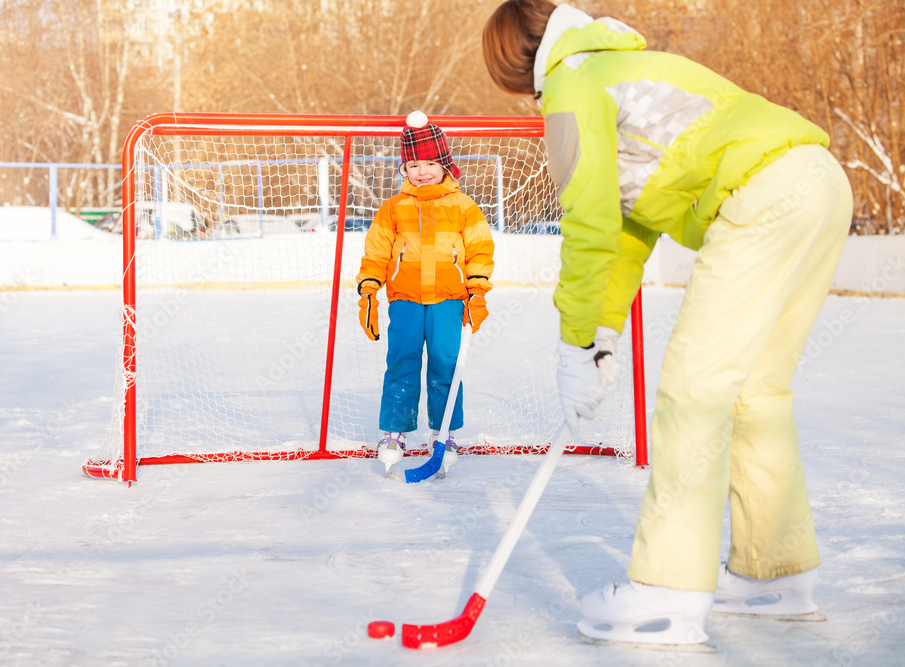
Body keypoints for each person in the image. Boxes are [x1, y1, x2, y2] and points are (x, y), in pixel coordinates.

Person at [483, 0, 853, 649]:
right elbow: (625, 232)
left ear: (515, 59)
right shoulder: (621, 67)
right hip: (819, 180)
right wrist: (600, 337)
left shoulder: (571, 87)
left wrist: (572, 345)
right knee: (755, 391)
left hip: (763, 195)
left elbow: (588, 223)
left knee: (692, 390)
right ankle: (774, 573)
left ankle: (667, 591)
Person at [356, 111, 496, 477]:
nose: (422, 171)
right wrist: (369, 290)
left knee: (445, 365)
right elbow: (377, 253)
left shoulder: (464, 207)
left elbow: (480, 250)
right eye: (414, 164)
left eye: (430, 163)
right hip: (405, 300)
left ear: (445, 165)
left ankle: (443, 431)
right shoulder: (393, 208)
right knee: (401, 360)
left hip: (449, 301)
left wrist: (477, 290)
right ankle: (395, 432)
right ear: (405, 168)